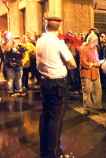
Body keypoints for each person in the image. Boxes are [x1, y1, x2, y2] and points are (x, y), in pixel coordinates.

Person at [36, 16, 77, 158]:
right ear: (59, 27)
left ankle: (44, 150)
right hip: (57, 83)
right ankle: (52, 153)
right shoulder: (58, 43)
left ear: (46, 26)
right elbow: (73, 64)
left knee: (46, 116)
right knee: (56, 119)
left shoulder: (40, 40)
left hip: (44, 82)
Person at [80, 32, 106, 115]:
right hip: (87, 73)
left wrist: (100, 62)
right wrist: (94, 64)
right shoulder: (84, 48)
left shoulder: (95, 48)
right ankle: (86, 108)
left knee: (98, 89)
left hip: (95, 72)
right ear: (91, 41)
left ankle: (98, 105)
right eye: (95, 41)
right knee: (87, 91)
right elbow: (84, 62)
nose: (96, 43)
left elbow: (96, 59)